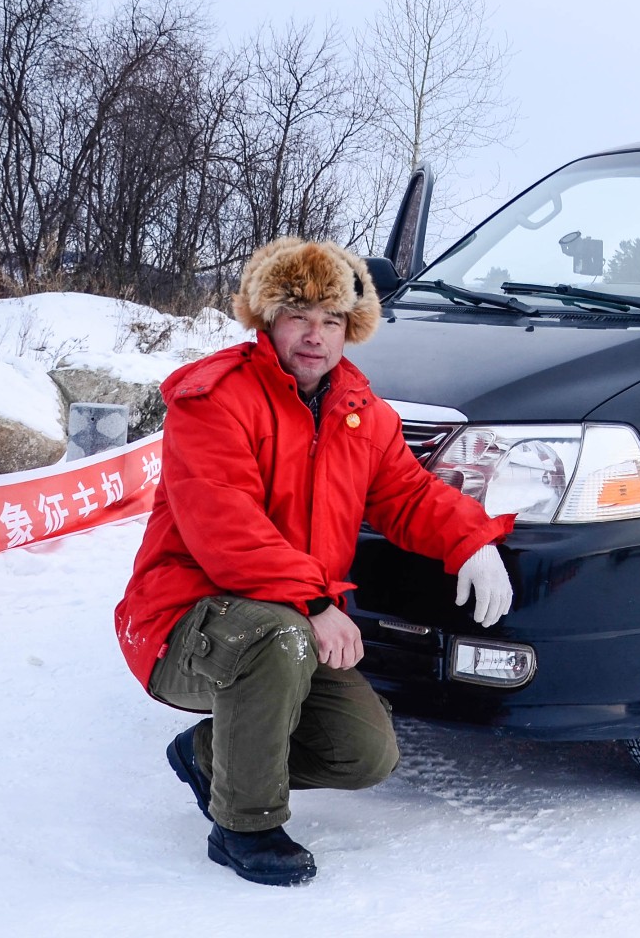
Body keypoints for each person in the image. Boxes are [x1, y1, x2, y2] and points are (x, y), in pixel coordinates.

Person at [114, 236, 515, 886]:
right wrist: (318, 604)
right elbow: (227, 531)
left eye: (333, 320)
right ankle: (246, 827)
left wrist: (472, 540)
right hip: (182, 623)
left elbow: (409, 497)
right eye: (299, 314)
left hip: (285, 622)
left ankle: (213, 755)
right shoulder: (213, 399)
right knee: (281, 640)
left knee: (365, 751)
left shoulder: (359, 412)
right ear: (266, 317)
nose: (315, 335)